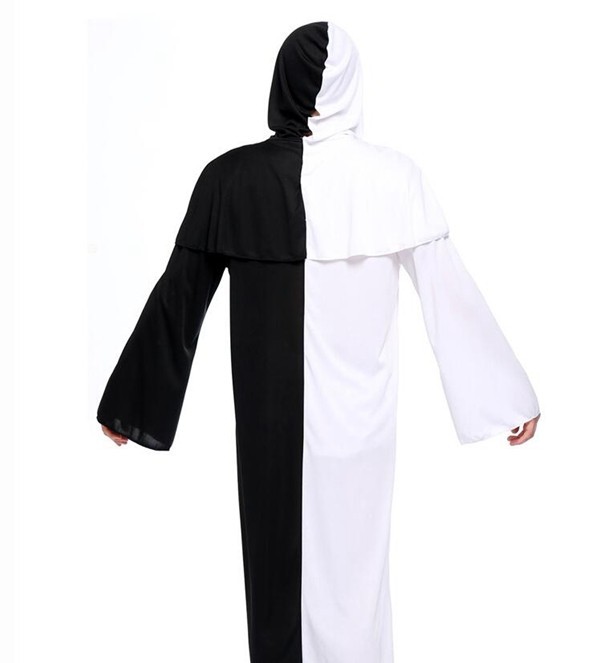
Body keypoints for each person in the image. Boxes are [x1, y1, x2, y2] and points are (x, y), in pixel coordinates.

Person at [97, 20, 541, 663]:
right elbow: (448, 294)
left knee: (277, 577)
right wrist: (506, 399)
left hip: (269, 428)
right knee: (355, 584)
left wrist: (131, 407)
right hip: (358, 428)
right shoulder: (393, 179)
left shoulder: (229, 179)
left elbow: (179, 298)